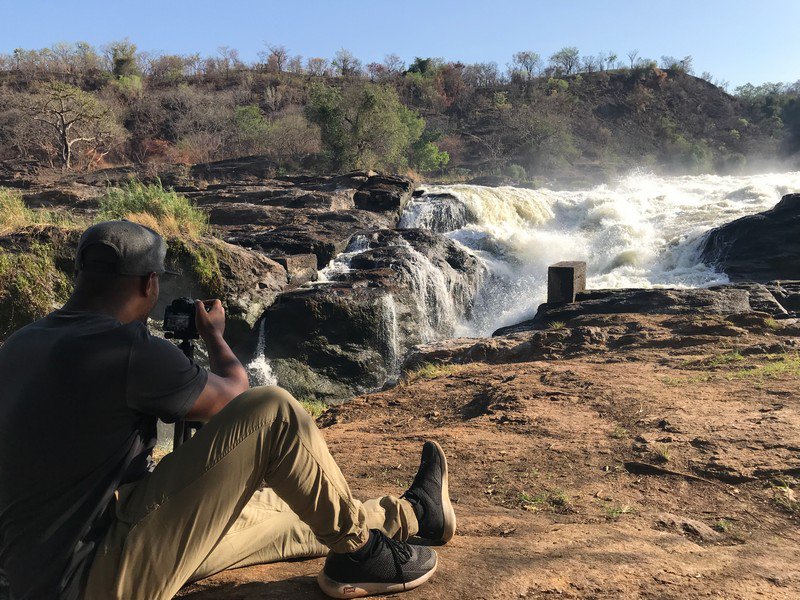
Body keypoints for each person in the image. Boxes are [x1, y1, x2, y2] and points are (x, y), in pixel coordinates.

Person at [0, 220, 456, 600]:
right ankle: (360, 554)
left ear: (79, 274)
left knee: (273, 512)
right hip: (88, 579)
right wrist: (216, 336)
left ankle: (414, 514)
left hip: (45, 562)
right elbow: (238, 400)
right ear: (149, 283)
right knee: (275, 410)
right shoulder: (128, 349)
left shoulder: (18, 345)